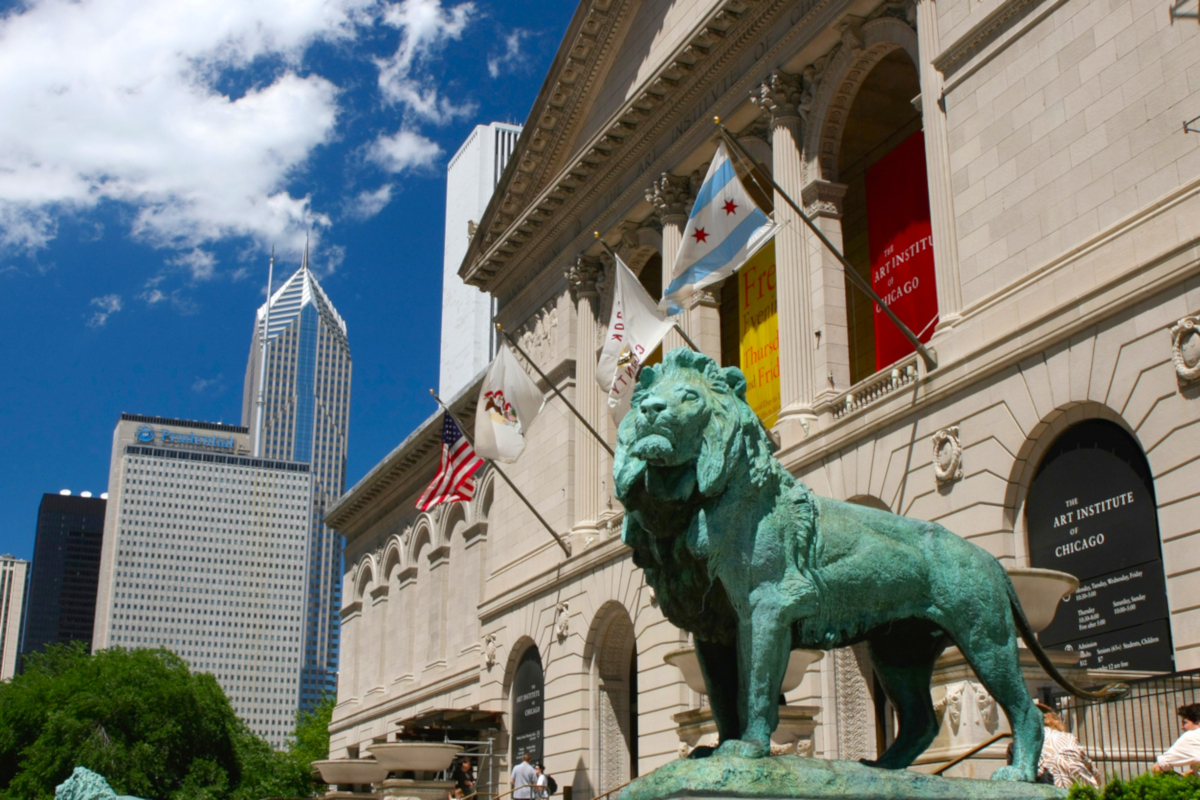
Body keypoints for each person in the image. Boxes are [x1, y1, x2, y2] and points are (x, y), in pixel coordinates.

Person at [1037, 706, 1101, 789]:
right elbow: (1091, 768)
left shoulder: (1030, 743)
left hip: (1051, 786)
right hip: (1081, 786)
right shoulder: (1068, 737)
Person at [1153, 703, 1200, 774]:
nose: (1182, 727)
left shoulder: (1191, 737)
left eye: (1185, 723)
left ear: (1198, 723)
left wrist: (1177, 781)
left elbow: (1158, 767)